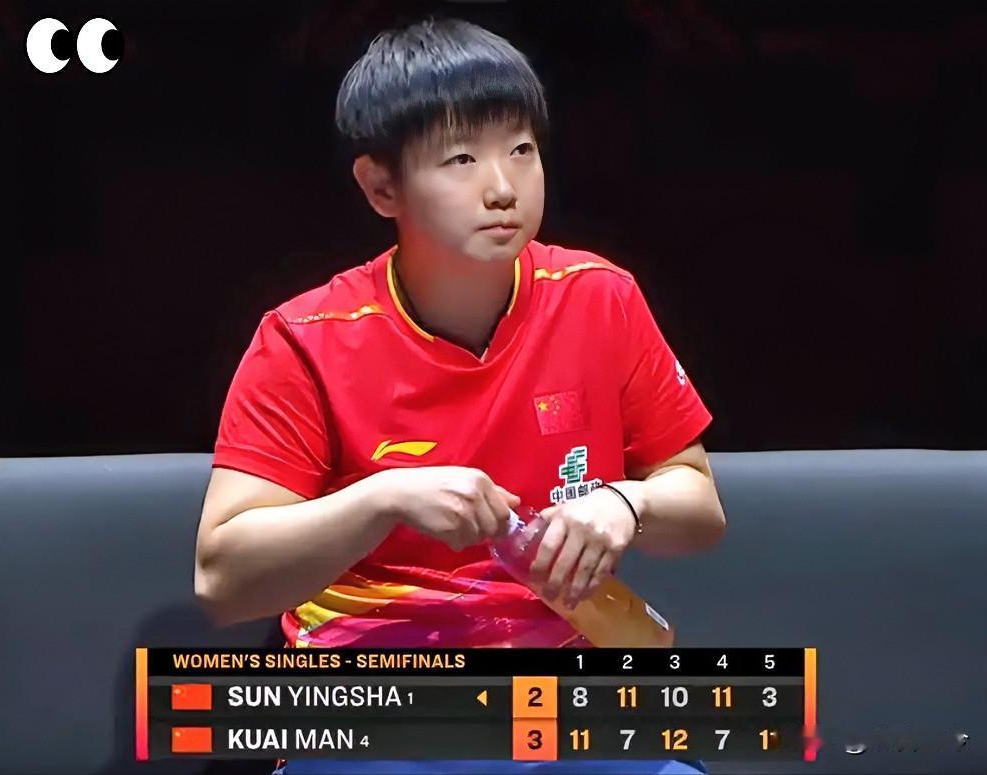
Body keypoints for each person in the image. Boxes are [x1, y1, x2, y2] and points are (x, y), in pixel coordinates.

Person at [195, 16, 725, 775]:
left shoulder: (599, 297)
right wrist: (382, 499)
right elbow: (221, 582)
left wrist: (626, 503)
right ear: (381, 186)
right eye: (461, 158)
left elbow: (699, 509)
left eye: (521, 150)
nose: (502, 187)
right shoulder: (304, 338)